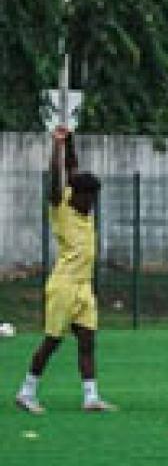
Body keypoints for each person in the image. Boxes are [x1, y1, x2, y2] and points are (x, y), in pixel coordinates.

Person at [15, 128, 110, 415]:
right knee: (52, 341)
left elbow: (72, 166)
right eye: (89, 197)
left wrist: (68, 142)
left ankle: (90, 396)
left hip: (84, 287)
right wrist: (55, 148)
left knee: (87, 340)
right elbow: (57, 178)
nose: (92, 203)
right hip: (64, 285)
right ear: (76, 194)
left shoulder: (84, 211)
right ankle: (26, 391)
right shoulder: (62, 206)